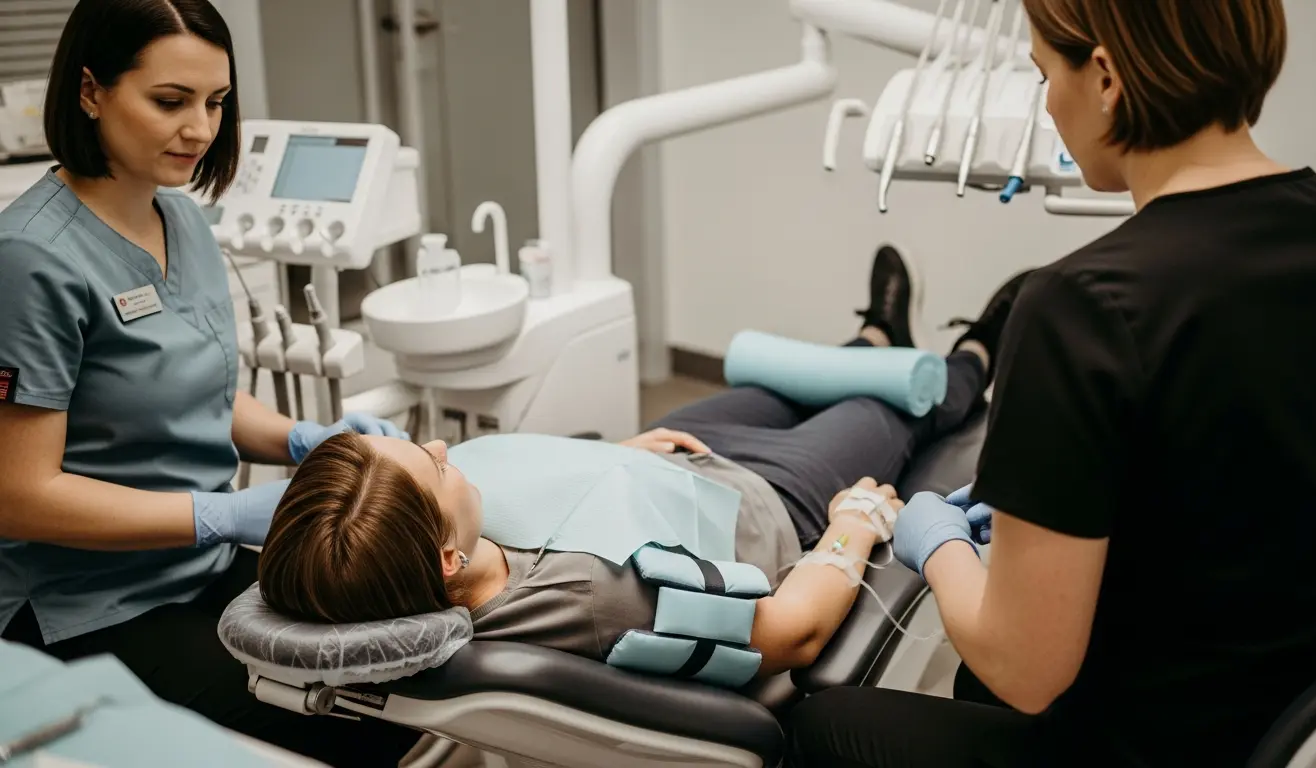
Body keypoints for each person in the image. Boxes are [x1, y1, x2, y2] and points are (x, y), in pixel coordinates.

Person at [786, 1, 1316, 767]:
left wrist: (936, 541)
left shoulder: (1081, 305)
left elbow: (1026, 672)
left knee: (826, 727)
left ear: (1106, 76)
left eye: (1046, 73)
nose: (1048, 101)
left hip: (1170, 747)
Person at [255, 246, 1017, 678]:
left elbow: (526, 494)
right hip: (770, 501)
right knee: (892, 406)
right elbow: (790, 631)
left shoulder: (445, 556)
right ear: (447, 561)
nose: (442, 446)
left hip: (662, 467)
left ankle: (878, 336)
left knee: (774, 382)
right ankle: (978, 349)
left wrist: (610, 465)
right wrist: (849, 526)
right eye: (429, 465)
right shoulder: (597, 596)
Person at [0, 2, 413, 766]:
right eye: (170, 102)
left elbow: (206, 393)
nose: (201, 129)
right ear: (91, 91)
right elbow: (20, 493)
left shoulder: (182, 218)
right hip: (91, 606)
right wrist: (220, 515)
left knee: (393, 675)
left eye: (216, 102)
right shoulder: (30, 260)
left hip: (201, 567)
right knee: (349, 728)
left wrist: (300, 439)